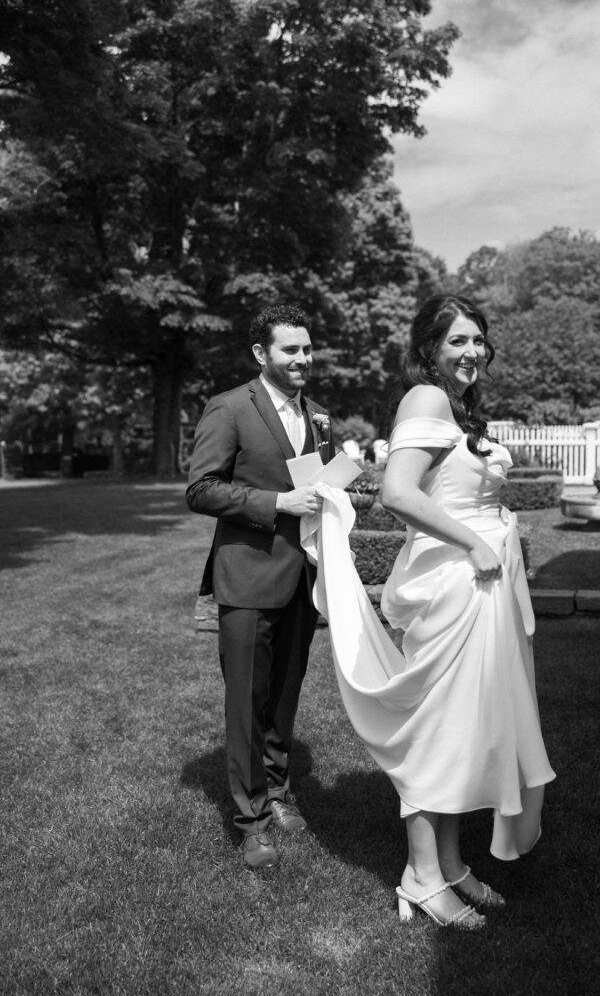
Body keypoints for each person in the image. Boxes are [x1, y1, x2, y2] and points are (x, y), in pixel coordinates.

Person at [300, 293, 555, 929]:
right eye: (457, 342)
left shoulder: (456, 405)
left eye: (478, 340)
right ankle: (419, 876)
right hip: (455, 585)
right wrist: (473, 540)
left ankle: (450, 865)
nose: (472, 352)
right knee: (438, 730)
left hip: (481, 586)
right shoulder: (426, 400)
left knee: (463, 729)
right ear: (429, 351)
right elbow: (396, 490)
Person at [186, 305, 335, 870]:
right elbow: (201, 489)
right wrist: (277, 504)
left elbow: (317, 486)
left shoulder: (319, 415)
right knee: (247, 700)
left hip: (302, 577)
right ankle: (250, 820)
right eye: (291, 350)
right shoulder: (228, 408)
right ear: (260, 355)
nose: (304, 359)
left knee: (284, 695)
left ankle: (277, 790)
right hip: (247, 577)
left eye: (307, 348)